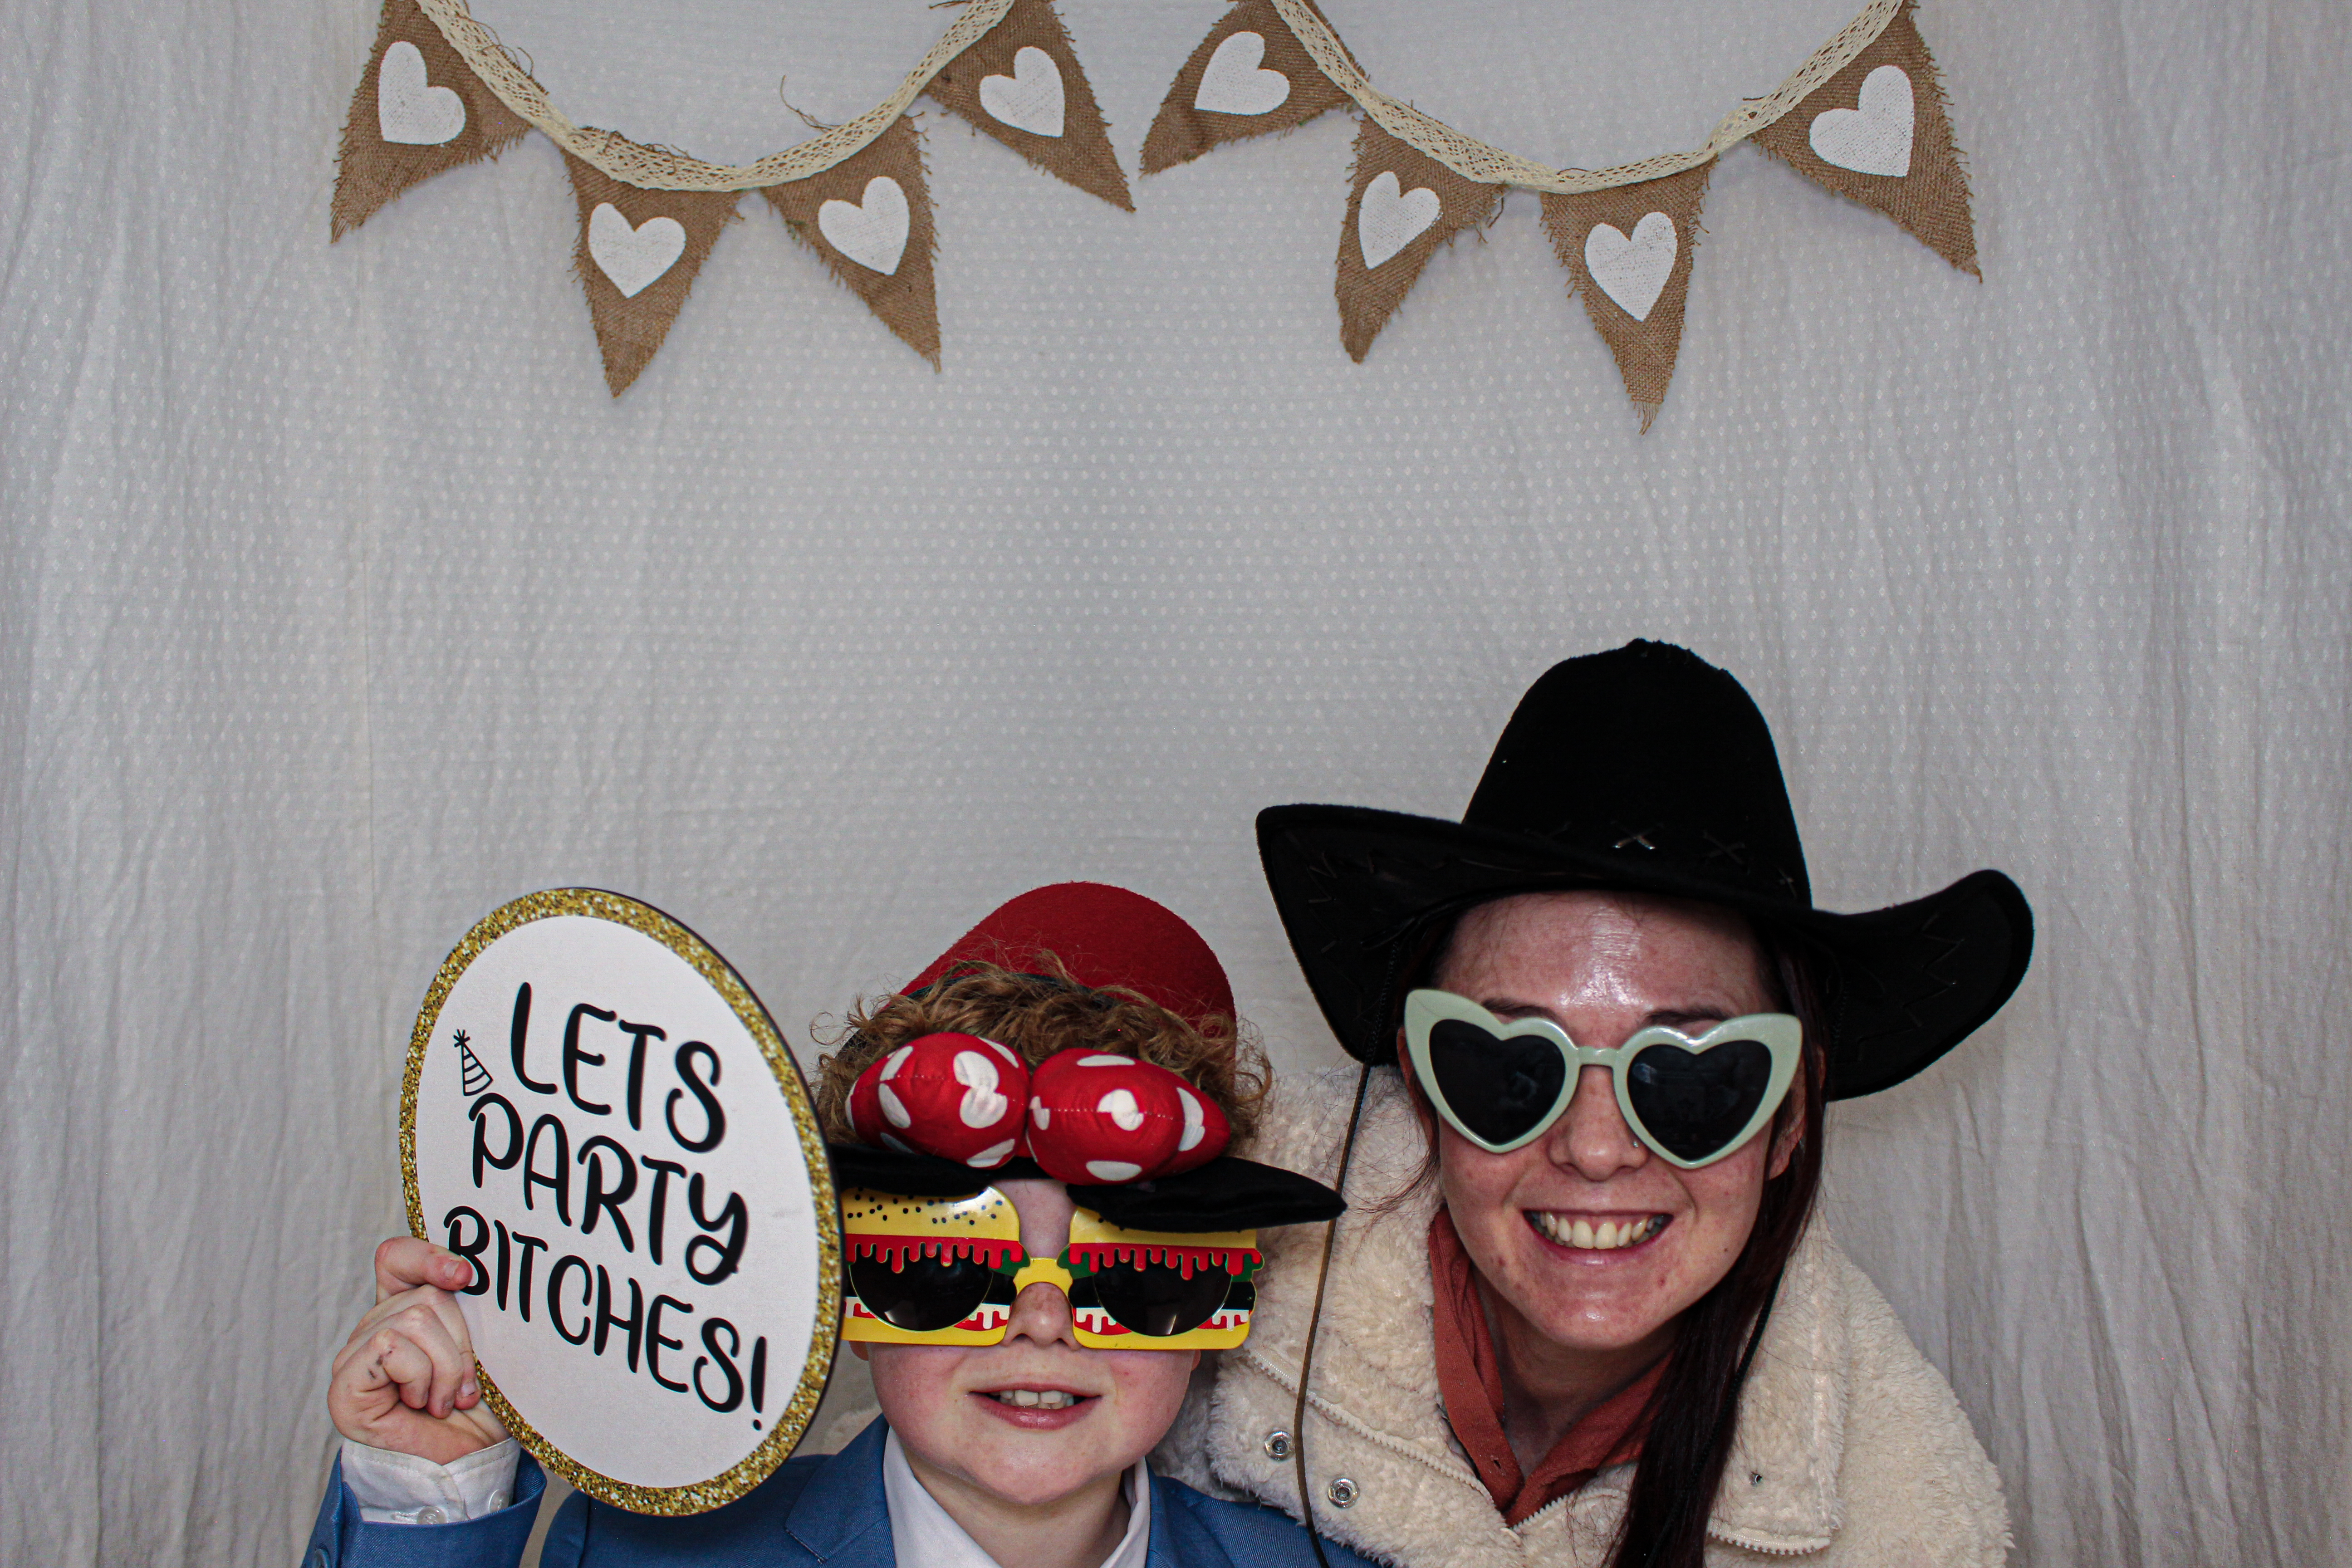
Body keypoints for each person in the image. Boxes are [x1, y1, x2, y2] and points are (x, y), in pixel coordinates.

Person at [1156, 641, 2030, 1568]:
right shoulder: (1194, 1245)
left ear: (1790, 1116)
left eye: (1691, 1075)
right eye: (1511, 1064)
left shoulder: (1903, 1521)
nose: (1597, 1147)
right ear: (1422, 1082)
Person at [305, 883, 1379, 1568]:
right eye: (942, 1264)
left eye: (1138, 1278)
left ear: (1220, 1318)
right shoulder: (633, 1556)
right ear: (841, 1300)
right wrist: (428, 1501)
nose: (1042, 1321)